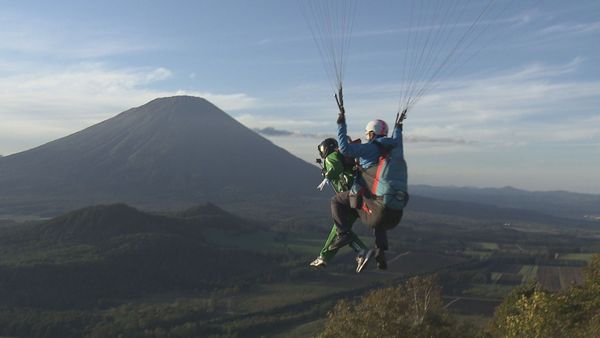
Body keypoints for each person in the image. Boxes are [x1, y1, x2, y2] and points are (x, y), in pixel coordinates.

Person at [327, 88, 408, 270]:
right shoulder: (396, 149)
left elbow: (346, 150)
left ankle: (343, 233)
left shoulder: (370, 148)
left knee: (337, 201)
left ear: (371, 134)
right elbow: (398, 138)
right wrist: (399, 125)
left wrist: (341, 123)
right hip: (395, 216)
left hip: (377, 214)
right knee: (377, 202)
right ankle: (380, 251)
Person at [310, 138, 373, 273]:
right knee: (341, 230)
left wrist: (328, 175)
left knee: (341, 231)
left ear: (326, 148)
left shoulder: (331, 156)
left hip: (349, 199)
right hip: (359, 198)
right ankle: (326, 256)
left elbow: (336, 167)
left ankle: (325, 256)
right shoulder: (344, 157)